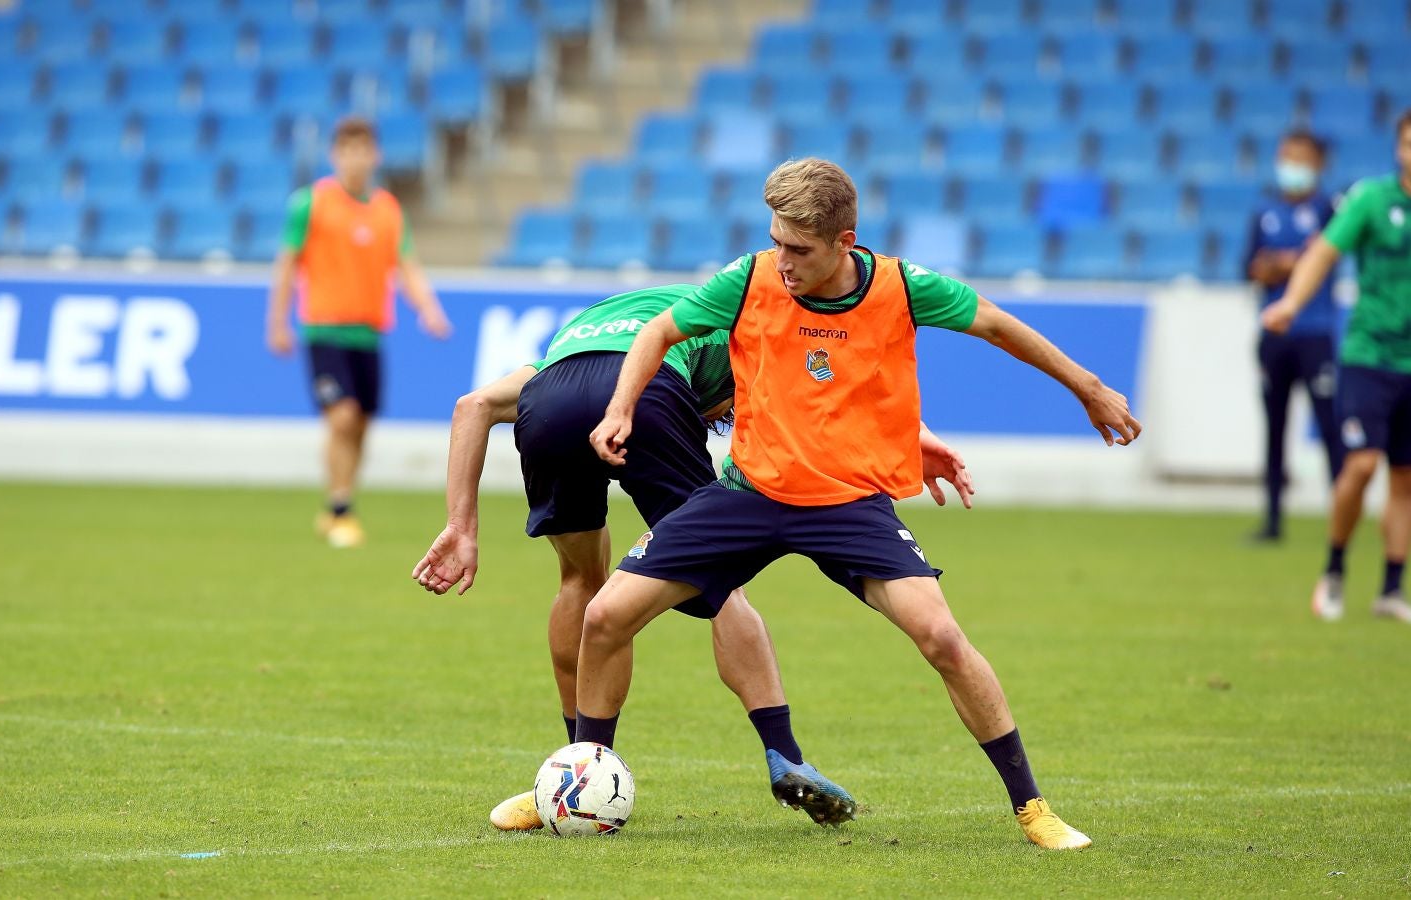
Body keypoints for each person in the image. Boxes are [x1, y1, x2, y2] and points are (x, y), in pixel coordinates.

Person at [580, 158, 1142, 850]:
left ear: (845, 242)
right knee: (604, 617)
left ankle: (1032, 809)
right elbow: (658, 332)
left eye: (799, 250)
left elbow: (995, 325)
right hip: (748, 494)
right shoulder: (746, 280)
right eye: (776, 242)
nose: (781, 261)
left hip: (849, 506)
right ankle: (579, 777)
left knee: (939, 637)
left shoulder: (903, 288)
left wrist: (1087, 387)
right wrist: (618, 409)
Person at [410, 285, 979, 830]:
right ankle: (784, 754)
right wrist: (917, 434)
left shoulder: (573, 343)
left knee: (580, 578)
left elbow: (473, 405)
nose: (716, 420)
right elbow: (840, 379)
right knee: (721, 580)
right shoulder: (734, 313)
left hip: (550, 406)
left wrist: (461, 527)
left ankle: (577, 769)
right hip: (652, 394)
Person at [1263, 108, 1411, 624]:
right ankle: (1333, 571)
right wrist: (1291, 302)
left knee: (1406, 479)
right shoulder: (1371, 200)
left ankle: (1392, 590)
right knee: (1360, 465)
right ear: (1400, 151)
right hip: (1367, 355)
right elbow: (1323, 253)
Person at [266, 117, 452, 548]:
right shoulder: (310, 204)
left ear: (375, 155)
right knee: (343, 415)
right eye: (347, 150)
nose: (355, 158)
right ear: (335, 156)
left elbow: (406, 265)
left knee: (362, 423)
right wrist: (277, 322)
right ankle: (340, 507)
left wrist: (428, 309)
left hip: (369, 334)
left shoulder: (387, 209)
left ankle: (339, 501)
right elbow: (287, 265)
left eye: (363, 149)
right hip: (325, 330)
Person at [1243, 130, 1345, 542]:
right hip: (1273, 335)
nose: (1291, 167)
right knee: (1274, 429)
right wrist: (1293, 261)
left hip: (1315, 333)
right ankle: (1272, 520)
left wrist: (1282, 264)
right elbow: (1252, 268)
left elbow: (1325, 256)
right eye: (1286, 157)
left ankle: (1342, 517)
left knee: (1330, 429)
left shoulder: (1329, 210)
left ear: (1318, 165)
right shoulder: (1264, 212)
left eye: (1299, 159)